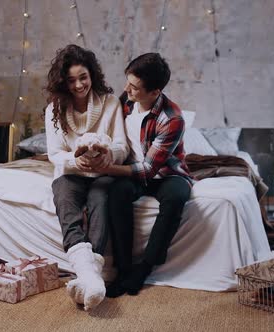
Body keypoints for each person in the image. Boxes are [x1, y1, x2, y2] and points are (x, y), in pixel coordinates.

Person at [89, 53, 193, 297]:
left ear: (155, 92)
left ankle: (144, 268)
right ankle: (124, 269)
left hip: (167, 175)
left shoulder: (172, 119)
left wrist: (105, 168)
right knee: (116, 193)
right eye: (127, 82)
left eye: (134, 87)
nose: (126, 89)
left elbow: (148, 170)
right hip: (132, 171)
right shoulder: (124, 101)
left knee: (177, 197)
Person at [44, 44, 129, 310]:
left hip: (103, 172)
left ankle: (87, 275)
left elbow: (122, 146)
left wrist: (107, 154)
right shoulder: (54, 110)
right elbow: (55, 153)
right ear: (62, 83)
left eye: (84, 77)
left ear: (92, 75)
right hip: (71, 173)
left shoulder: (111, 103)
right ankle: (90, 276)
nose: (79, 85)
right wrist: (74, 159)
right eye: (71, 80)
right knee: (64, 199)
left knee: (100, 198)